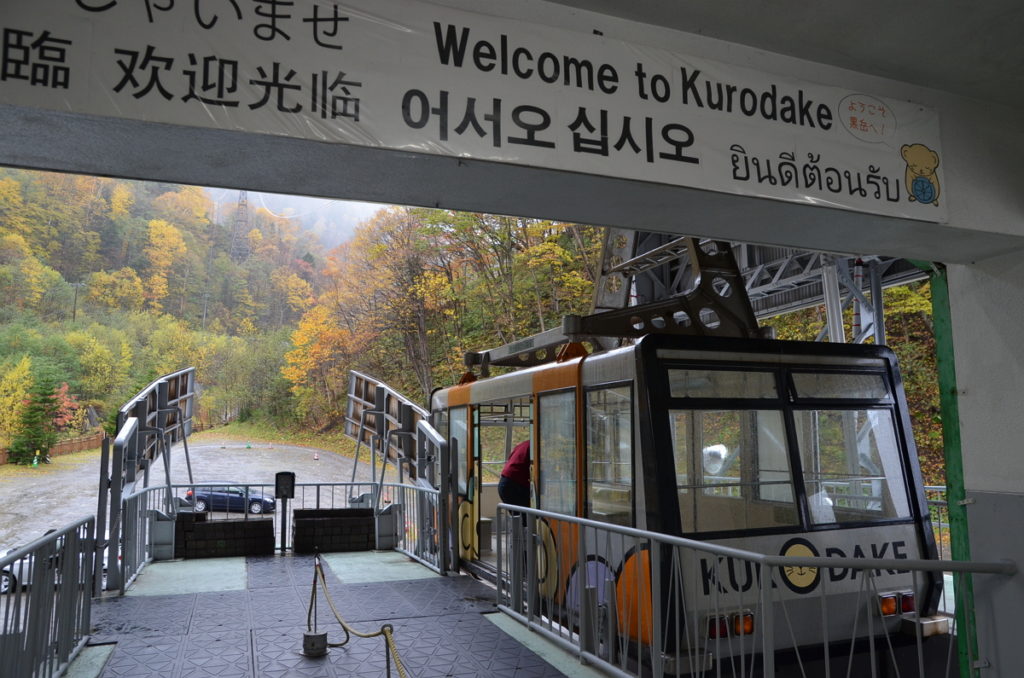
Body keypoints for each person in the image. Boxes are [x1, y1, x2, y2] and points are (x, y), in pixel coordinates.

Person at [498, 440, 531, 508]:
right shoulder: (535, 446)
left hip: (504, 483)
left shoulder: (524, 444)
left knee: (521, 514)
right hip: (514, 485)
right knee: (527, 514)